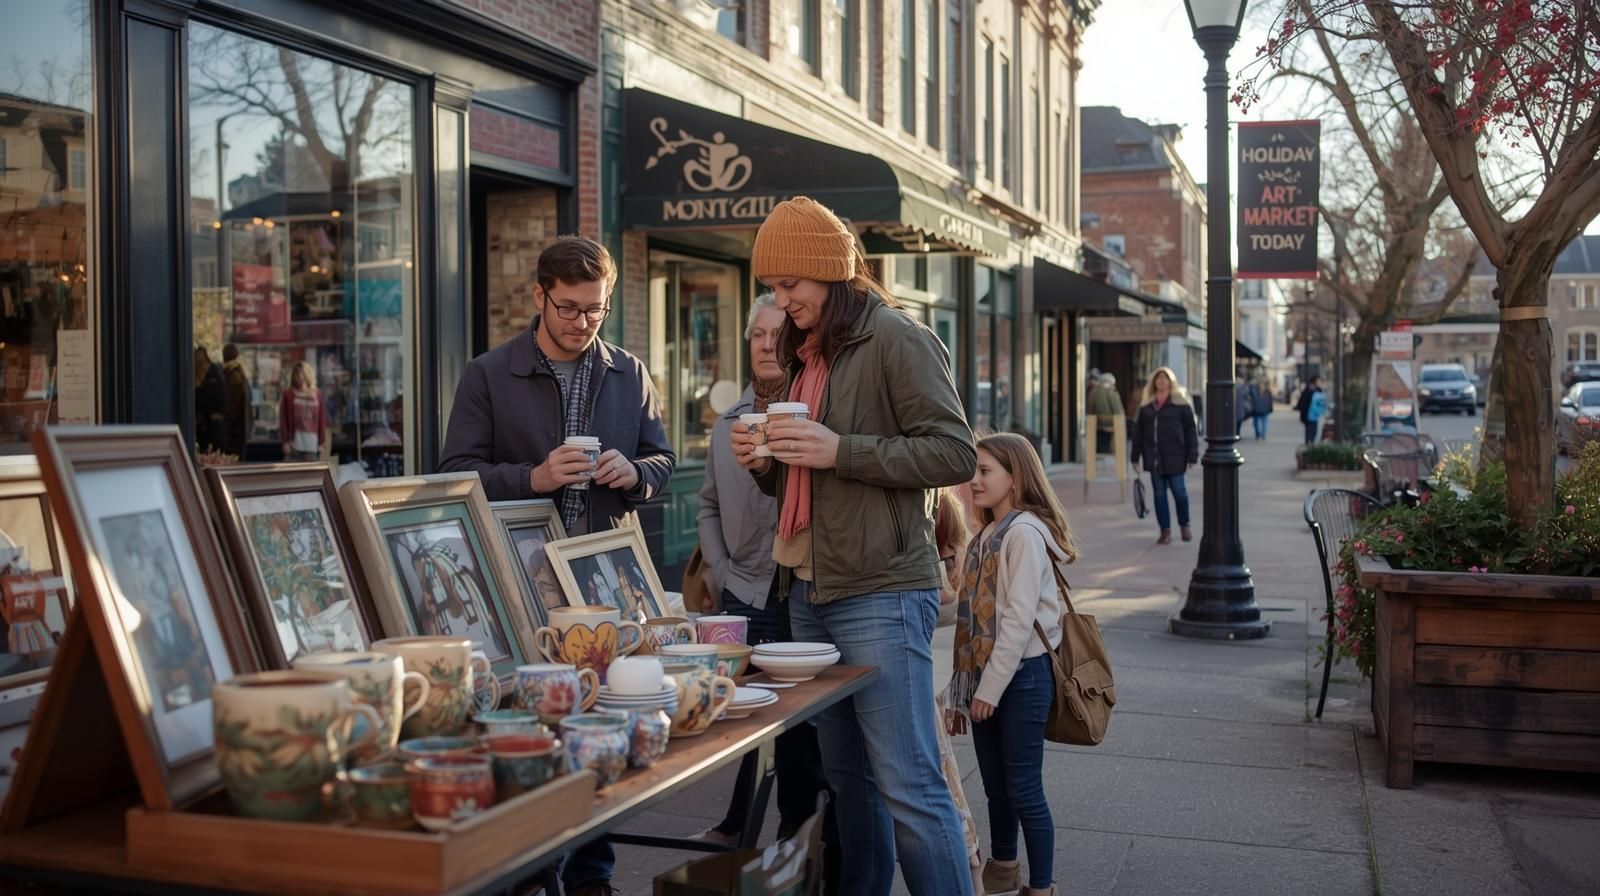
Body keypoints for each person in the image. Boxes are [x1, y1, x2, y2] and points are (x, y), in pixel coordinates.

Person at [729, 197, 975, 895]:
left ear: (830, 274)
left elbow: (954, 453)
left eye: (791, 285)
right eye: (773, 287)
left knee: (910, 786)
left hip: (882, 588)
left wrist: (843, 450)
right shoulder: (808, 355)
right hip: (808, 589)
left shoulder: (898, 338)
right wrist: (769, 464)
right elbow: (811, 485)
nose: (781, 301)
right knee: (850, 784)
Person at [440, 234, 674, 896]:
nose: (581, 322)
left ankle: (594, 876)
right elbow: (453, 475)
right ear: (539, 295)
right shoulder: (488, 373)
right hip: (519, 585)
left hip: (603, 584)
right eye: (568, 307)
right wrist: (532, 475)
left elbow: (663, 459)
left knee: (598, 727)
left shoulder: (628, 371)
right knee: (535, 729)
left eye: (594, 310)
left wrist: (634, 474)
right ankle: (533, 871)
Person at [697, 293, 837, 883]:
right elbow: (706, 505)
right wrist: (721, 570)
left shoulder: (814, 413)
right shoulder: (728, 422)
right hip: (746, 596)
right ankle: (762, 836)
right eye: (754, 333)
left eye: (772, 332)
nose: (760, 342)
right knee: (750, 719)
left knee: (807, 732)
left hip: (802, 590)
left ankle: (801, 844)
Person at [945, 432, 1072, 896]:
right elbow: (970, 620)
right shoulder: (986, 536)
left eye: (985, 471)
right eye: (974, 470)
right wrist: (963, 693)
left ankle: (1042, 888)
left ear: (1014, 479)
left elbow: (1016, 623)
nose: (974, 480)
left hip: (1023, 679)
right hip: (989, 679)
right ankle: (1003, 869)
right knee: (997, 788)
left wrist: (987, 691)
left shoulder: (1023, 535)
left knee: (1023, 790)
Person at [931, 487, 984, 896]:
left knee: (941, 771)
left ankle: (971, 863)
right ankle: (972, 863)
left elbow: (953, 597)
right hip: (934, 665)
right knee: (940, 768)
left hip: (929, 666)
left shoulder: (942, 509)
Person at [1131, 367, 1199, 545]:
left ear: (1171, 382)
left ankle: (1185, 524)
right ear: (1154, 382)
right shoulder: (1146, 406)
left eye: (1165, 378)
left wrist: (1192, 456)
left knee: (1179, 492)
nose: (1161, 381)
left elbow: (1191, 431)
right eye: (1158, 378)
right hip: (1154, 458)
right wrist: (1134, 457)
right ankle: (1165, 531)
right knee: (1159, 495)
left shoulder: (1181, 404)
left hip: (1176, 456)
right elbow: (1138, 433)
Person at [278, 361, 327, 462]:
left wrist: (322, 441)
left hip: (312, 445)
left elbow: (321, 418)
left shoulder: (317, 394)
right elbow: (283, 419)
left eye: (303, 374)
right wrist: (285, 441)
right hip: (294, 445)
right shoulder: (288, 394)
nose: (300, 377)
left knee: (311, 476)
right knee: (292, 476)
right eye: (297, 374)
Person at [194, 346, 228, 454]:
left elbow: (222, 396)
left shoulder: (213, 373)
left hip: (212, 423)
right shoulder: (197, 375)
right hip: (202, 423)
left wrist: (217, 413)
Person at [221, 344, 250, 457]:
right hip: (239, 430)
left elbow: (232, 406)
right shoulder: (239, 373)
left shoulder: (233, 375)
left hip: (234, 431)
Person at [1089, 372, 1123, 455]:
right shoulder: (1111, 392)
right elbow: (1118, 410)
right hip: (1111, 423)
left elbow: (1090, 409)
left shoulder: (1093, 392)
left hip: (1096, 423)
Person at [1296, 376, 1325, 446]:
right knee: (1311, 430)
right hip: (1309, 414)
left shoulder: (1316, 390)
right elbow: (1303, 402)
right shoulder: (1310, 390)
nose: (1320, 383)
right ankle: (1309, 442)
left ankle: (1309, 442)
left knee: (1312, 430)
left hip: (1313, 414)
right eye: (1318, 381)